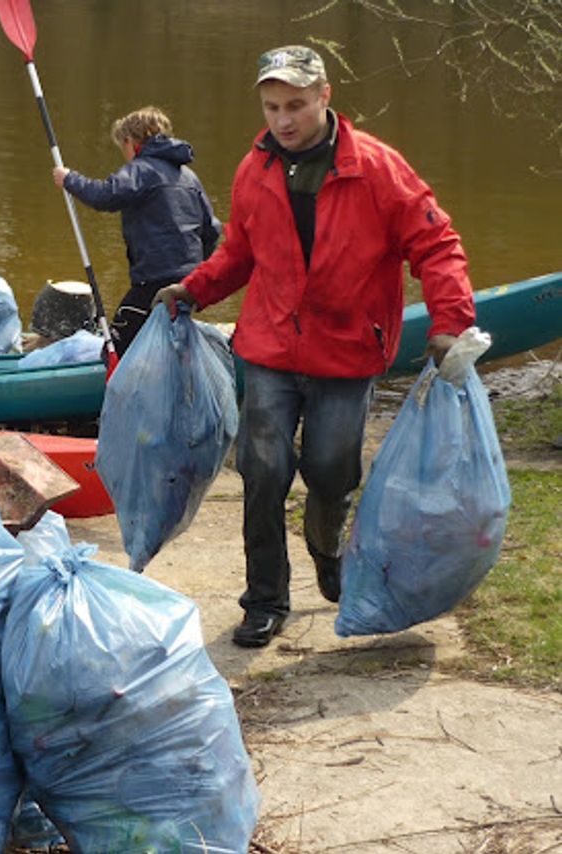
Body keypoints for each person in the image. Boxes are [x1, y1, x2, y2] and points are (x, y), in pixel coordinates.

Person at [155, 45, 475, 648]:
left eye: (296, 105)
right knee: (262, 470)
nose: (283, 120)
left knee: (331, 472)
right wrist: (195, 290)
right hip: (270, 349)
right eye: (273, 106)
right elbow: (240, 254)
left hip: (348, 351)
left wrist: (450, 322)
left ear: (325, 97)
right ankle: (265, 600)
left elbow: (438, 245)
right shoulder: (255, 169)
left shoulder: (378, 168)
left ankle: (327, 547)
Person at [53, 106, 221, 357]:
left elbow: (105, 196)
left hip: (153, 282)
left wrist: (69, 179)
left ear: (131, 141)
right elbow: (212, 230)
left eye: (123, 145)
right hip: (190, 283)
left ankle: (116, 389)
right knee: (163, 344)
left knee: (114, 349)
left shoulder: (141, 170)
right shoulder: (189, 177)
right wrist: (195, 268)